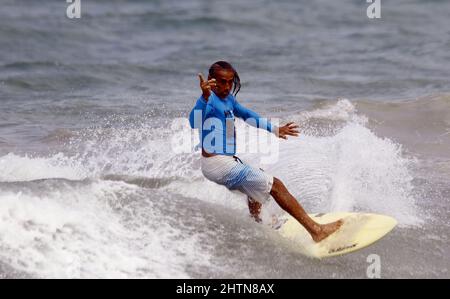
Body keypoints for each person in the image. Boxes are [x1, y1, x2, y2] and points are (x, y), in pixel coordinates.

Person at [189, 61, 342, 242]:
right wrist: (203, 98)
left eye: (230, 82)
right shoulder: (209, 100)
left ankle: (259, 224)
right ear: (211, 81)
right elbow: (194, 122)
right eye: (222, 82)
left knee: (256, 184)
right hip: (217, 164)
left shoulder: (228, 99)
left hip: (226, 161)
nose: (227, 86)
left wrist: (275, 129)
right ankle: (317, 231)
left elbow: (247, 115)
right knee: (275, 185)